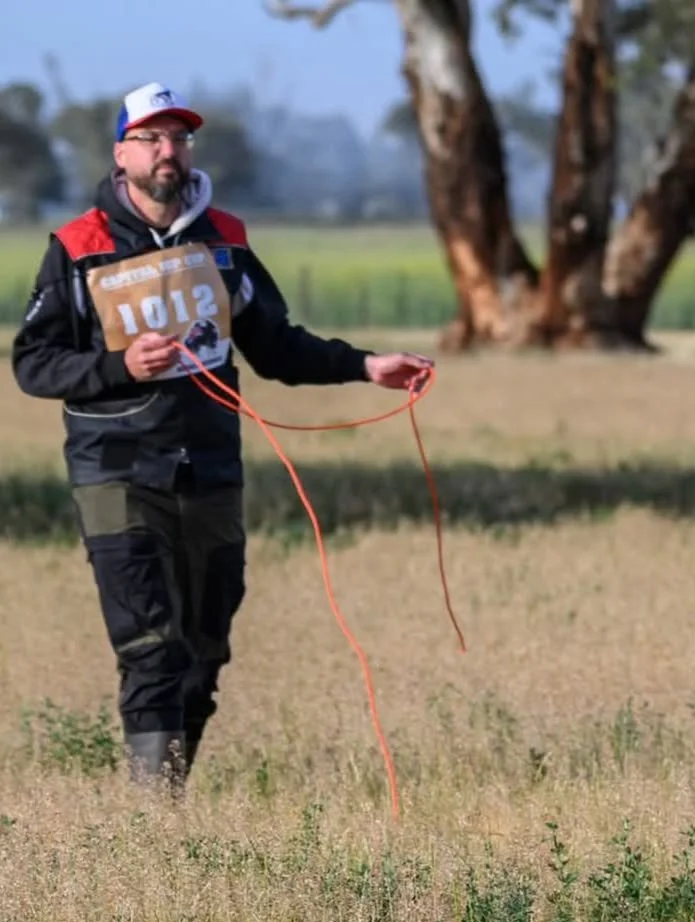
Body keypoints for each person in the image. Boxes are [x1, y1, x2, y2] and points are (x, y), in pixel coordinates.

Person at [11, 81, 434, 795]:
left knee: (203, 648)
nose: (167, 151)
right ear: (121, 154)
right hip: (115, 469)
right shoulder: (79, 247)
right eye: (150, 138)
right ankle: (156, 819)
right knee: (150, 644)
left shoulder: (226, 240)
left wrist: (366, 366)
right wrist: (119, 366)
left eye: (179, 138)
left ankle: (172, 786)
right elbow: (34, 362)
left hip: (209, 468)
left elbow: (277, 346)